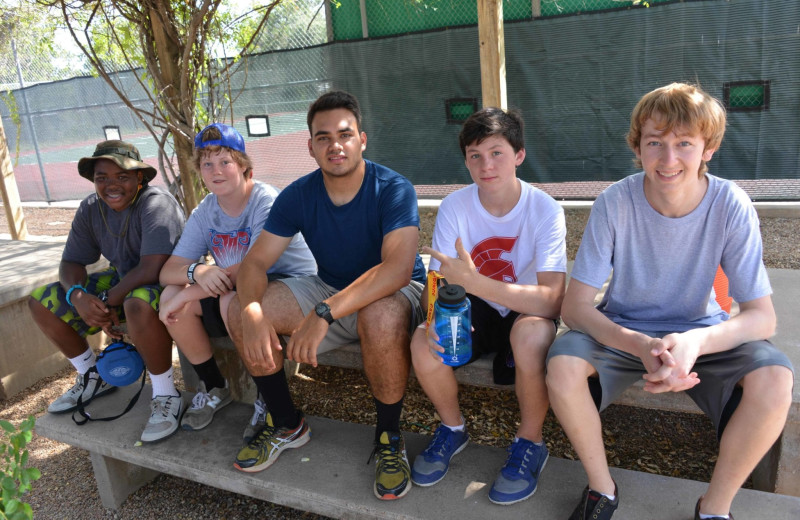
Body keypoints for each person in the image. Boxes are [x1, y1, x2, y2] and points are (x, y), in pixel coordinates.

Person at [545, 83, 794, 520]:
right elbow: (575, 307)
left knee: (776, 380)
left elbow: (762, 317)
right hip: (624, 331)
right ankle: (602, 490)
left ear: (708, 149)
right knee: (562, 364)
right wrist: (641, 345)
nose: (668, 158)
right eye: (654, 143)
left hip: (703, 332)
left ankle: (714, 509)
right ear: (638, 148)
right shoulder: (614, 201)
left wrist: (696, 344)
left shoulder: (730, 203)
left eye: (684, 143)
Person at [227, 90, 426, 500]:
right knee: (236, 309)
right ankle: (286, 423)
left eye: (345, 134)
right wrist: (250, 309)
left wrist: (323, 313)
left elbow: (397, 269)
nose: (335, 145)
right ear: (311, 146)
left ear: (362, 140)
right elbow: (253, 264)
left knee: (381, 316)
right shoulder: (299, 194)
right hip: (330, 287)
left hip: (396, 293)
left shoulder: (392, 187)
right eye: (323, 137)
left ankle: (390, 437)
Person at [408, 107, 566, 505]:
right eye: (474, 155)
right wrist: (441, 318)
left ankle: (530, 442)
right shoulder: (455, 206)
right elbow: (437, 283)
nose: (485, 165)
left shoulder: (544, 209)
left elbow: (551, 299)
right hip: (473, 308)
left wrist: (476, 281)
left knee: (530, 336)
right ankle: (452, 429)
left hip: (524, 308)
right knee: (425, 339)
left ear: (519, 155)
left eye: (496, 152)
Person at [158, 123, 316, 437]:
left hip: (290, 285)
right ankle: (215, 386)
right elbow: (168, 271)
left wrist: (187, 295)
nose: (216, 171)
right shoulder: (205, 211)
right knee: (170, 296)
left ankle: (268, 400)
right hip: (238, 287)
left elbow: (252, 266)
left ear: (243, 165)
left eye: (225, 162)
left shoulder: (265, 200)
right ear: (199, 170)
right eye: (207, 164)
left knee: (231, 300)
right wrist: (196, 272)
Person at [28, 140, 186, 442]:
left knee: (136, 304)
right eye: (102, 178)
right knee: (42, 301)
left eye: (122, 177)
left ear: (139, 178)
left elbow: (152, 268)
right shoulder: (91, 208)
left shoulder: (156, 203)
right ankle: (92, 375)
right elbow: (71, 261)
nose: (112, 185)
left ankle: (166, 394)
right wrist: (77, 295)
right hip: (123, 279)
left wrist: (104, 301)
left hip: (170, 280)